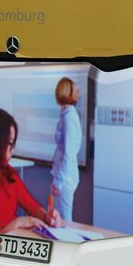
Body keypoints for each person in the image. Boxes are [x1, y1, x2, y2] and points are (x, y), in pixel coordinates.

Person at [0, 108, 58, 234]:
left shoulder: (8, 173)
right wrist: (17, 223)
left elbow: (32, 206)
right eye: (10, 144)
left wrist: (47, 217)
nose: (12, 151)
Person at [51, 77, 82, 221]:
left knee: (63, 220)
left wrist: (58, 183)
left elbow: (68, 154)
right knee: (58, 217)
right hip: (66, 175)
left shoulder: (68, 118)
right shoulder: (69, 114)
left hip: (65, 178)